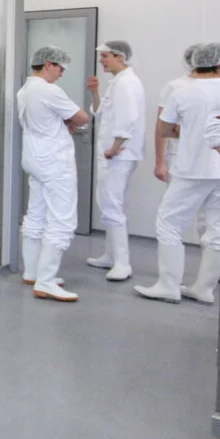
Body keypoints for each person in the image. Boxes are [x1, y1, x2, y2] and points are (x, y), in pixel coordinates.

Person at [136, 42, 220, 304]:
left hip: (191, 170)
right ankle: (204, 288)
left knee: (169, 224)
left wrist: (185, 130)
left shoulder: (182, 92)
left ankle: (168, 285)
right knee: (217, 229)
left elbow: (164, 129)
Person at [18, 45, 91, 303]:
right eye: (60, 68)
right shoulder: (49, 90)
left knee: (35, 215)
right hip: (54, 161)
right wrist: (70, 121)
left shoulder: (24, 90)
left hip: (34, 158)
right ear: (48, 64)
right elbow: (82, 118)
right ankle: (47, 282)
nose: (62, 73)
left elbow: (49, 119)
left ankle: (32, 272)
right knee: (62, 220)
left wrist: (64, 121)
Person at [84, 40, 145, 281]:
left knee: (112, 207)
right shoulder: (118, 82)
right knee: (113, 206)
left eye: (105, 56)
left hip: (118, 155)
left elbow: (128, 119)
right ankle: (111, 256)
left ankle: (122, 263)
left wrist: (114, 148)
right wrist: (95, 92)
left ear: (120, 57)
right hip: (117, 153)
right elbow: (100, 113)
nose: (102, 61)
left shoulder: (127, 83)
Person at [153, 44, 199, 184]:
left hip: (210, 157)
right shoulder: (175, 86)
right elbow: (161, 126)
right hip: (179, 155)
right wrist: (160, 163)